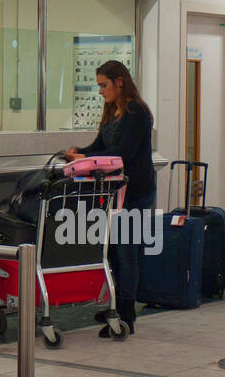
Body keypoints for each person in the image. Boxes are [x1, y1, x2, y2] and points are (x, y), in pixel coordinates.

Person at [64, 60, 156, 338]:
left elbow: (122, 152)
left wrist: (88, 158)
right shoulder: (112, 112)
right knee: (113, 251)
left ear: (119, 82)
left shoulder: (137, 112)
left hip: (136, 193)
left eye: (104, 86)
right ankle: (116, 304)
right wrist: (80, 151)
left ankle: (126, 315)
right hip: (115, 194)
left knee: (127, 252)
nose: (101, 92)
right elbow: (101, 146)